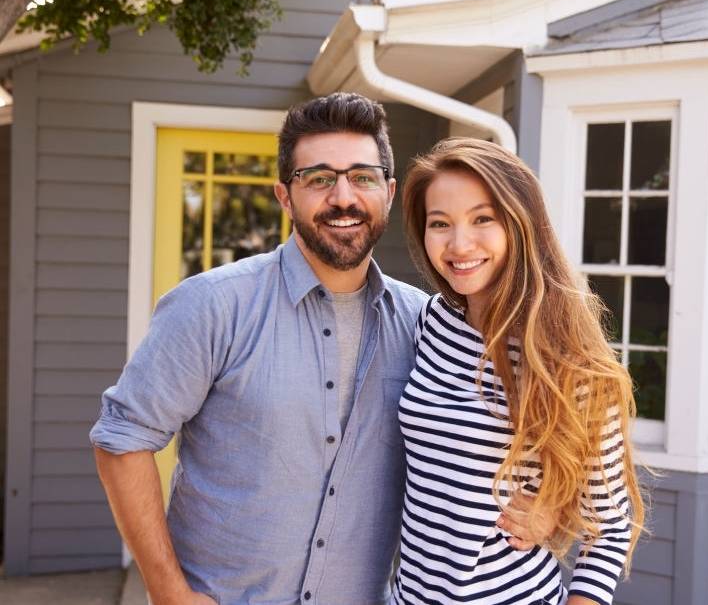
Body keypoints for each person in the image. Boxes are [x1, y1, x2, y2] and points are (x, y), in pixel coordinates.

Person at [88, 94, 538, 605]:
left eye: (362, 177)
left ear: (387, 193)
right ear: (285, 196)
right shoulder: (212, 306)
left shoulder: (427, 325)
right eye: (319, 178)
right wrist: (168, 591)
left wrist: (549, 508)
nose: (343, 197)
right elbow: (122, 440)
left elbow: (492, 446)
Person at [394, 138, 646, 605]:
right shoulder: (430, 322)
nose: (458, 244)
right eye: (439, 224)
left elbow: (608, 527)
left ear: (520, 223)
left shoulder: (568, 360)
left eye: (482, 219)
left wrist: (560, 506)